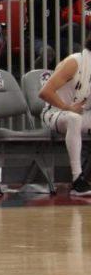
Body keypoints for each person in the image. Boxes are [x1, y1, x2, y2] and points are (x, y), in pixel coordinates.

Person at [39, 42, 91, 198]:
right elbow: (45, 92)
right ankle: (77, 180)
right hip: (55, 112)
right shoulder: (75, 62)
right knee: (74, 118)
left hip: (82, 113)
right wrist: (67, 108)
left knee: (76, 117)